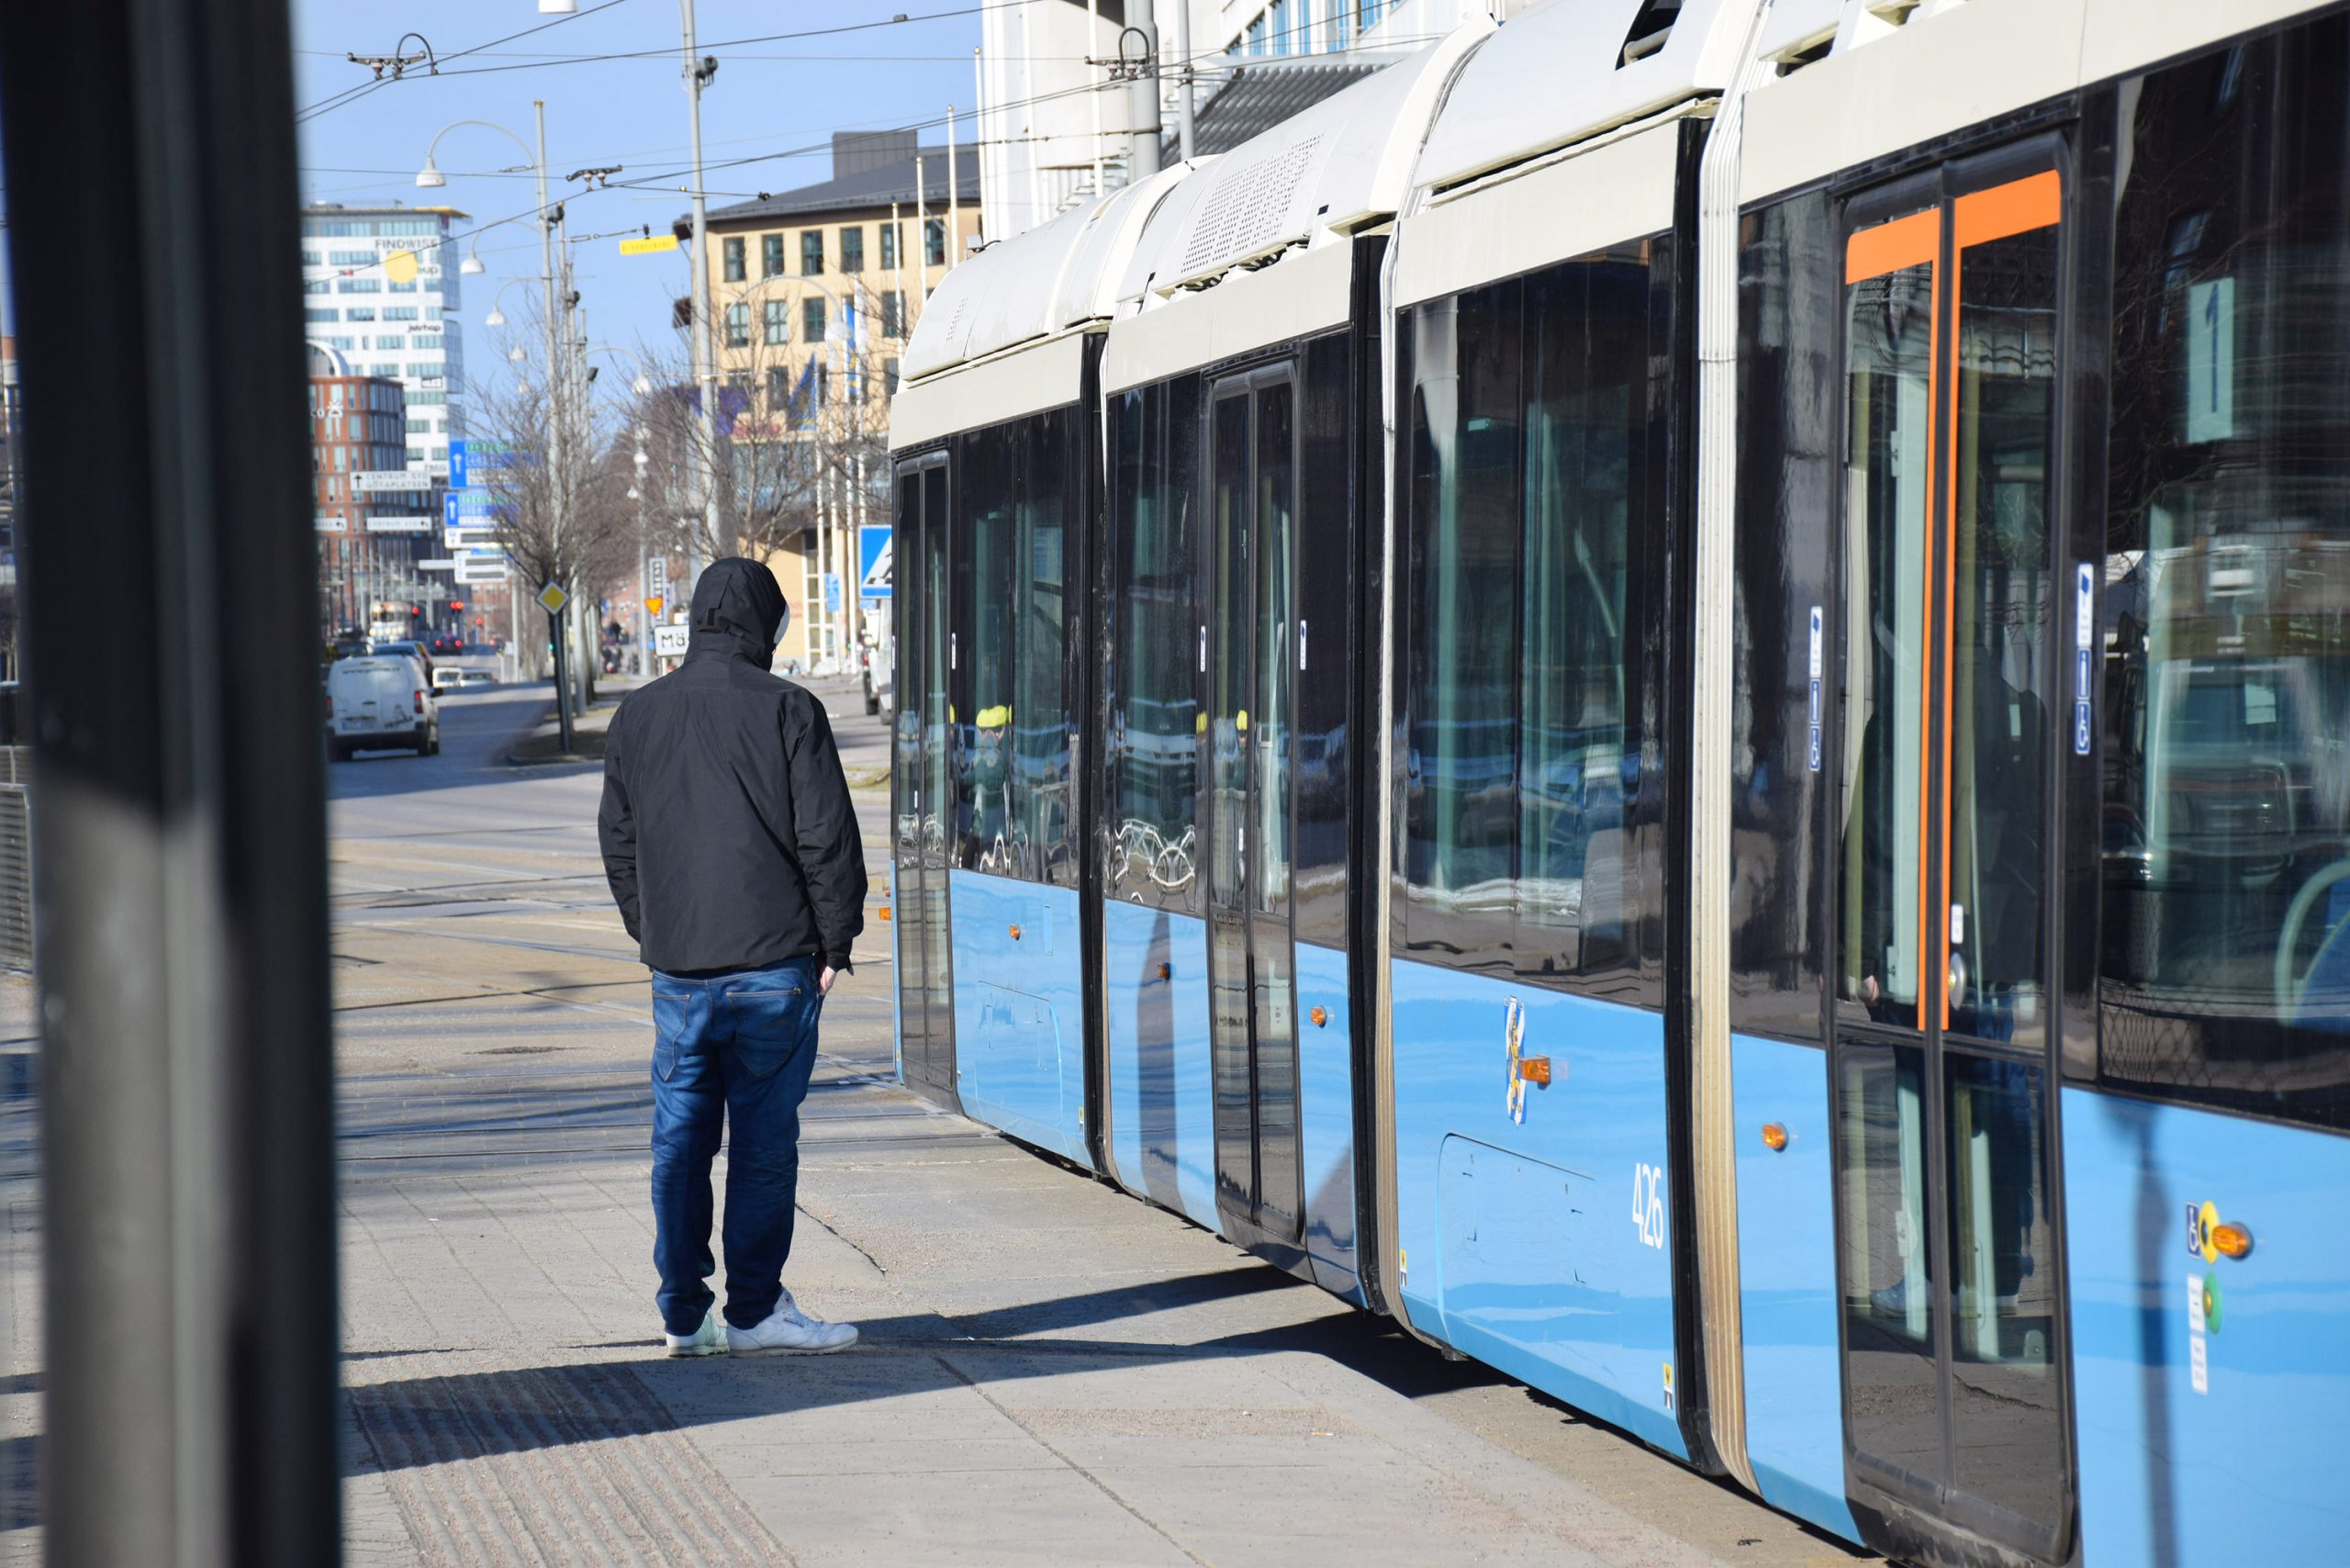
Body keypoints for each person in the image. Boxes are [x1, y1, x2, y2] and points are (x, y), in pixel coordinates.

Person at [598, 557, 867, 1357]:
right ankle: (753, 1311)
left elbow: (619, 843)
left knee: (680, 1144)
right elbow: (826, 837)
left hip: (679, 971)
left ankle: (684, 1317)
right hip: (774, 966)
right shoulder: (789, 708)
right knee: (762, 1145)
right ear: (764, 625)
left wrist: (654, 930)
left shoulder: (638, 713)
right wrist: (835, 942)